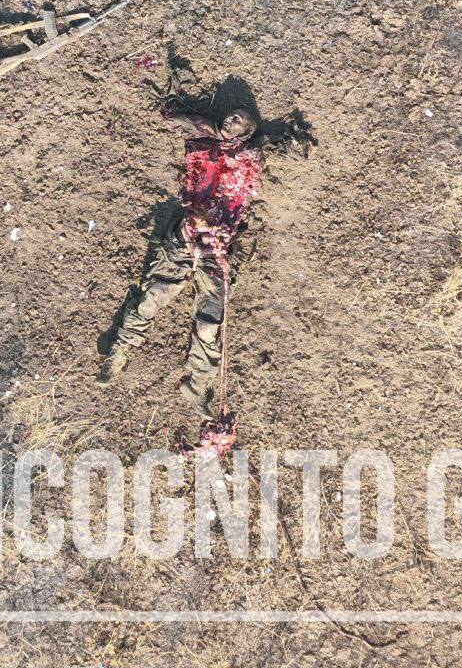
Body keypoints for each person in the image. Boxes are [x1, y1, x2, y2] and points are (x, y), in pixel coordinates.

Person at [97, 62, 314, 419]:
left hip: (219, 248)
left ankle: (198, 383)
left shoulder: (251, 153)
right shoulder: (203, 138)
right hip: (186, 234)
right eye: (230, 116)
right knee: (153, 295)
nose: (231, 121)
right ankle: (120, 349)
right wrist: (198, 120)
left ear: (248, 132)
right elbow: (175, 115)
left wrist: (284, 138)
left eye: (239, 121)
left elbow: (291, 147)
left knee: (210, 320)